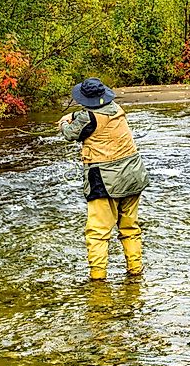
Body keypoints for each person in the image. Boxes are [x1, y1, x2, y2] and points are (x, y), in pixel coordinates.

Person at [57, 77, 149, 280]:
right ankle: (135, 272)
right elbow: (88, 116)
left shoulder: (87, 119)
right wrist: (74, 115)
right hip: (133, 175)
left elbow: (71, 134)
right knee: (130, 228)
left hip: (105, 180)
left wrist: (64, 122)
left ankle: (98, 280)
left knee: (97, 232)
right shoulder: (116, 108)